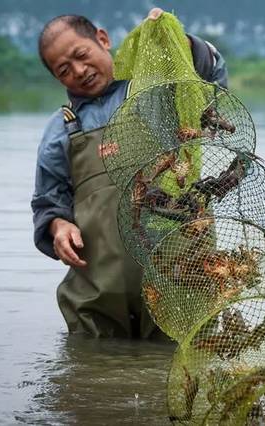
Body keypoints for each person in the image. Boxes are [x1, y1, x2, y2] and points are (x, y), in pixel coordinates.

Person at [31, 8, 228, 338]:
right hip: (99, 292)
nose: (79, 71)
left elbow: (212, 80)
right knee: (93, 376)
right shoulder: (60, 129)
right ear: (57, 78)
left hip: (180, 276)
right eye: (64, 69)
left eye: (81, 55)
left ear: (103, 40)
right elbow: (48, 200)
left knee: (189, 366)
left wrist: (179, 42)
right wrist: (58, 224)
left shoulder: (156, 93)